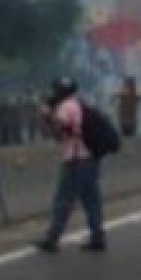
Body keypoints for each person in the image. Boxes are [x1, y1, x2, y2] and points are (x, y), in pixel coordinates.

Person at [36, 77, 106, 253]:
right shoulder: (79, 104)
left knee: (64, 199)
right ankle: (97, 235)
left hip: (75, 159)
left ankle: (52, 238)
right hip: (90, 157)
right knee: (91, 199)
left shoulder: (65, 107)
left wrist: (46, 117)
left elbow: (60, 133)